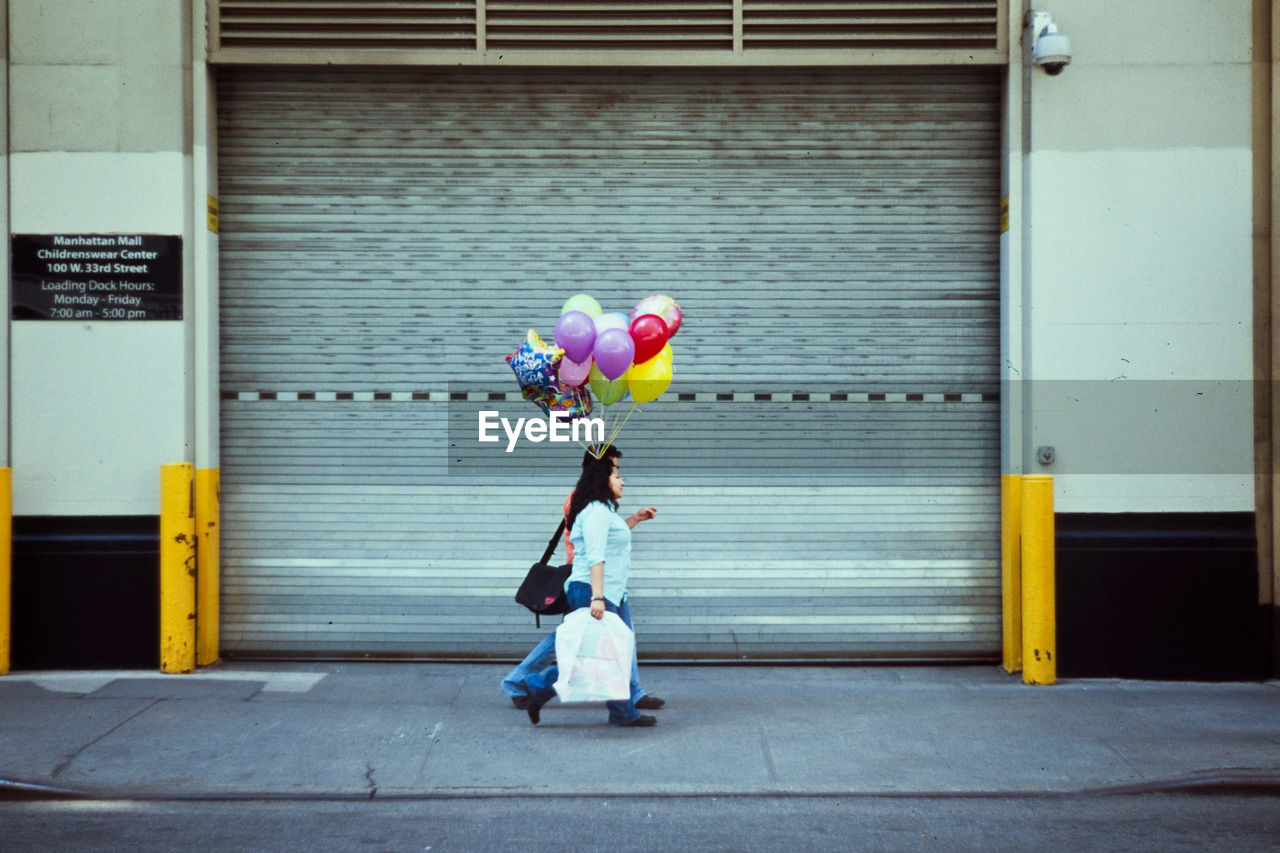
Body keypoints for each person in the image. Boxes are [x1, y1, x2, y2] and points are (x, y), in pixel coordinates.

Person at [502, 447, 664, 711]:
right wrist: (596, 593)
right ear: (598, 471)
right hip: (588, 579)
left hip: (608, 583)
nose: (619, 475)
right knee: (567, 641)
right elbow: (593, 544)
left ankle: (632, 695)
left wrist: (633, 518)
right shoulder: (584, 501)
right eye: (613, 469)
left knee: (621, 638)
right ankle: (519, 682)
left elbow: (608, 533)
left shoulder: (601, 502)